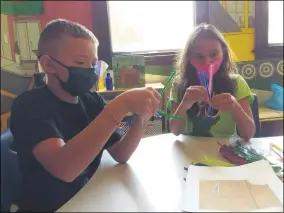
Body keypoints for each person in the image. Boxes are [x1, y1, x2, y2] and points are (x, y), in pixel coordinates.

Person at [10, 19, 161, 212]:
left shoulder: (92, 101)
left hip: (90, 199)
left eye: (93, 64)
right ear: (48, 64)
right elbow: (65, 169)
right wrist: (119, 106)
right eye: (80, 63)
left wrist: (143, 117)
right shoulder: (29, 106)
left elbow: (121, 153)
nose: (90, 71)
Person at [169, 24, 255, 141]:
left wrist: (235, 106)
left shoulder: (236, 83)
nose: (207, 62)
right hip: (190, 153)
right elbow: (175, 130)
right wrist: (184, 104)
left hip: (224, 152)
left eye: (213, 54)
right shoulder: (179, 84)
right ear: (190, 57)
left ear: (223, 52)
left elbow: (248, 134)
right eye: (199, 56)